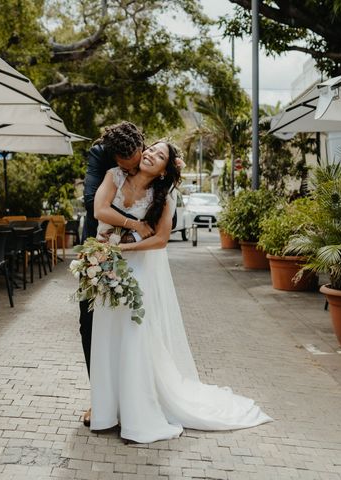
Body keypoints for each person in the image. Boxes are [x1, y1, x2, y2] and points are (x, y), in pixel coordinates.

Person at [90, 141, 271, 443]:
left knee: (135, 336)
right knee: (108, 333)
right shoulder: (115, 175)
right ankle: (108, 412)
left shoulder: (164, 198)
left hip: (138, 271)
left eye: (160, 156)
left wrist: (127, 247)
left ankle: (139, 415)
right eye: (151, 150)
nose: (150, 155)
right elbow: (100, 210)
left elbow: (160, 240)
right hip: (106, 265)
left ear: (164, 170)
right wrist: (115, 244)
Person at [80, 121, 154, 426]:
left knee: (133, 328)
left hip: (139, 256)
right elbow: (90, 202)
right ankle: (100, 400)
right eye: (128, 164)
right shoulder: (101, 157)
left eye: (139, 158)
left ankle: (135, 398)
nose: (136, 166)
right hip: (99, 249)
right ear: (114, 157)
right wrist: (134, 221)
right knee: (89, 323)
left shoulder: (151, 157)